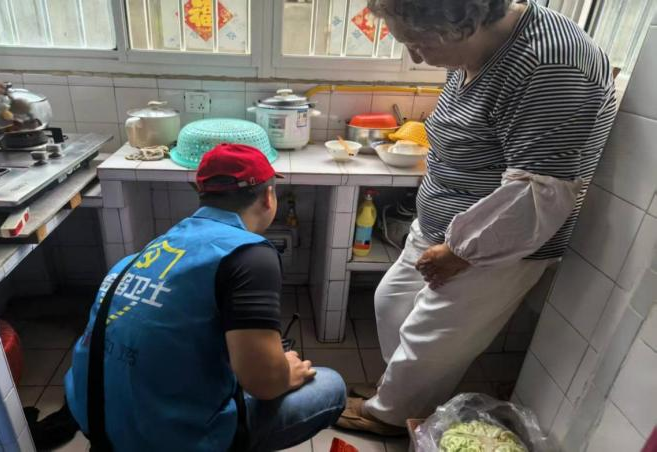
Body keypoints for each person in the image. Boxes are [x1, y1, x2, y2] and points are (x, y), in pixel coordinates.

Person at [338, 0, 617, 435]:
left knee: (431, 340)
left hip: (492, 245)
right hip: (443, 224)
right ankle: (406, 394)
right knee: (392, 303)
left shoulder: (550, 66)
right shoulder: (476, 45)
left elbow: (538, 194)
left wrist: (459, 251)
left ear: (460, 24)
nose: (416, 58)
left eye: (419, 44)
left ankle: (391, 415)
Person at [65, 144, 347, 451]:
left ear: (203, 195)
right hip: (172, 441)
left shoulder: (151, 250)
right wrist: (283, 372)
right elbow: (264, 383)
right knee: (331, 385)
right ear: (268, 197)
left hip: (97, 423)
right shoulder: (251, 255)